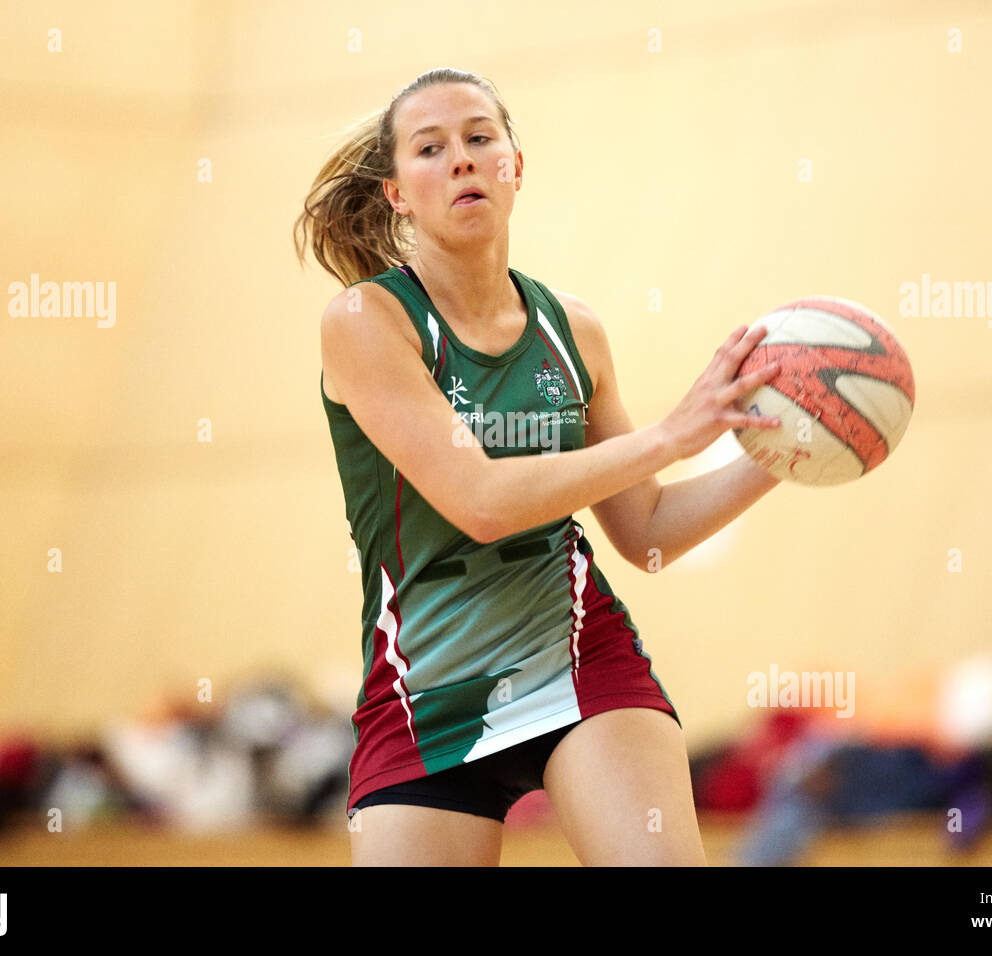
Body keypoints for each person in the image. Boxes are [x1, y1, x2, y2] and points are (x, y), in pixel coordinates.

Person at [294, 67, 783, 866]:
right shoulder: (366, 321)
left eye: (480, 138)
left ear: (515, 165)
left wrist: (786, 451)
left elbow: (648, 532)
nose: (461, 159)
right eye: (430, 148)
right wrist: (671, 434)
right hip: (425, 697)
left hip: (579, 662)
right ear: (396, 194)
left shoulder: (572, 331)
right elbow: (479, 500)